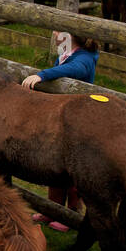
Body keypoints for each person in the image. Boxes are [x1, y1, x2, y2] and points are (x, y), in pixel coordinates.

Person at [21, 33, 100, 231]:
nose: (55, 34)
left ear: (70, 37)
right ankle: (52, 210)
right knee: (54, 164)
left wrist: (43, 75)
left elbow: (75, 69)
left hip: (77, 120)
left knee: (71, 169)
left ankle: (71, 213)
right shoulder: (67, 53)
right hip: (62, 116)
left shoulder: (84, 58)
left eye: (59, 31)